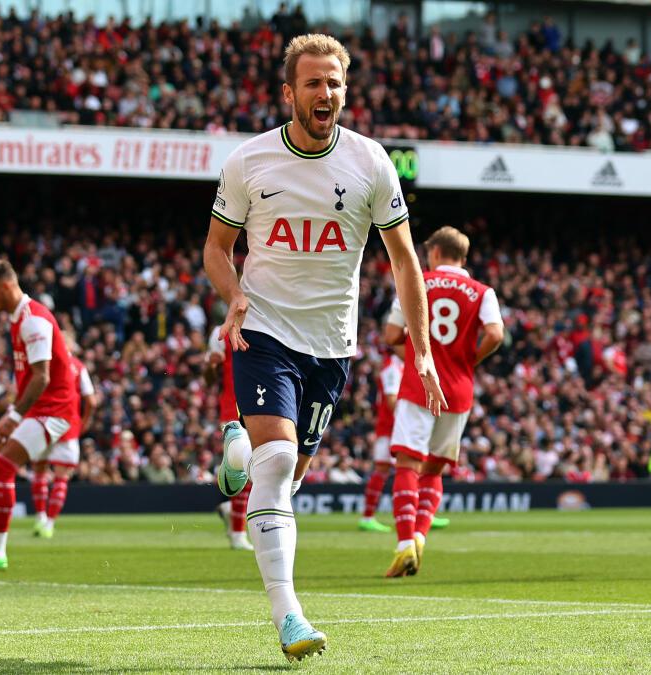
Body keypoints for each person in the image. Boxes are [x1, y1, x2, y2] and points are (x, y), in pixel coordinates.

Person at [202, 33, 446, 661]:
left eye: (333, 82)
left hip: (332, 346)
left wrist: (421, 348)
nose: (325, 93)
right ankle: (289, 617)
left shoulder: (371, 163)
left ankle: (237, 453)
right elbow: (215, 248)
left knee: (288, 475)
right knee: (279, 462)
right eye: (312, 83)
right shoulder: (249, 162)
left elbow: (404, 261)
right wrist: (232, 294)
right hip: (264, 330)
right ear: (290, 93)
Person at [383, 226, 504, 577]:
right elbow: (496, 334)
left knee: (408, 464)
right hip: (459, 389)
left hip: (420, 384)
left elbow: (391, 335)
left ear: (434, 253)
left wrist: (414, 355)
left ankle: (405, 542)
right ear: (463, 258)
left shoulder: (416, 280)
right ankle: (421, 535)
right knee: (433, 468)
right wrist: (468, 360)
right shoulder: (483, 292)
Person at [0, 260, 79, 571]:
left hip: (54, 411)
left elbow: (42, 377)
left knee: (3, 467)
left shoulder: (34, 321)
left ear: (7, 286)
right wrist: (14, 411)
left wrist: (13, 416)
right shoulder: (18, 319)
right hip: (34, 409)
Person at [31, 339, 97, 538]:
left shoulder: (44, 364)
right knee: (61, 477)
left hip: (42, 422)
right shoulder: (78, 366)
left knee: (40, 472)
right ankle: (49, 524)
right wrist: (83, 423)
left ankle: (40, 516)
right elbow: (91, 401)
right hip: (67, 425)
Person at [207, 324, 255, 551]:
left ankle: (231, 513)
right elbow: (210, 378)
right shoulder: (221, 331)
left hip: (261, 408)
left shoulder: (266, 320)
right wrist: (212, 365)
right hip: (232, 410)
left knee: (253, 470)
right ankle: (238, 533)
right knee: (242, 470)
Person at [357, 344, 401, 533]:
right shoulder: (393, 366)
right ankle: (417, 513)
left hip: (389, 426)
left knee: (384, 470)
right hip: (392, 427)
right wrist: (407, 422)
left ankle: (368, 516)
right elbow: (391, 400)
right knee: (408, 468)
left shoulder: (396, 365)